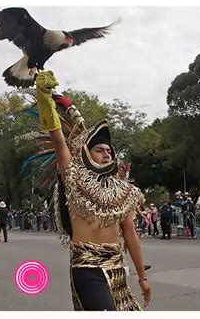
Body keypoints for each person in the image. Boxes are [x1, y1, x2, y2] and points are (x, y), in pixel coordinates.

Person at [34, 71, 150, 310]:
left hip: (117, 268)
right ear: (87, 154)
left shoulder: (123, 192)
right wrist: (45, 99)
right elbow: (58, 140)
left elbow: (130, 235)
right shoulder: (73, 178)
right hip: (87, 268)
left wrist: (142, 277)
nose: (107, 153)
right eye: (100, 149)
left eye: (109, 150)